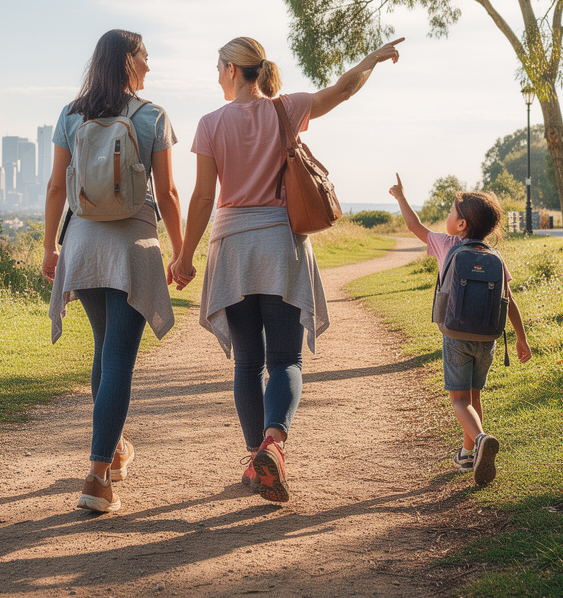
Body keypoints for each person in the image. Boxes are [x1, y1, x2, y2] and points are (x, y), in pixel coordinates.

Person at [170, 36, 404, 504]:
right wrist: (372, 59)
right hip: (282, 245)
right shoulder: (288, 108)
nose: (216, 76)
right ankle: (273, 447)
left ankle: (257, 459)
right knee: (285, 361)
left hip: (233, 249)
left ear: (233, 70)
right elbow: (342, 90)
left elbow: (201, 197)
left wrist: (185, 256)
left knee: (248, 363)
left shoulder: (210, 123)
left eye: (218, 67)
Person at [43, 29, 183, 513]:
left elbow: (54, 187)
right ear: (128, 60)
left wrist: (48, 249)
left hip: (82, 242)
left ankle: (115, 450)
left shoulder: (71, 113)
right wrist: (181, 252)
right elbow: (168, 195)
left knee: (105, 351)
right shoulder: (152, 116)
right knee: (120, 357)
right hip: (130, 242)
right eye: (144, 55)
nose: (149, 64)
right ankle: (98, 476)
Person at [388, 181, 531, 486]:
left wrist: (400, 196)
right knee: (474, 395)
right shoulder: (495, 256)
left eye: (451, 212)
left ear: (462, 224)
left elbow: (414, 225)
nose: (448, 215)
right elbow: (509, 299)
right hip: (488, 338)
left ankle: (480, 439)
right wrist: (521, 337)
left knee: (458, 399)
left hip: (456, 336)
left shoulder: (446, 245)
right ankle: (468, 454)